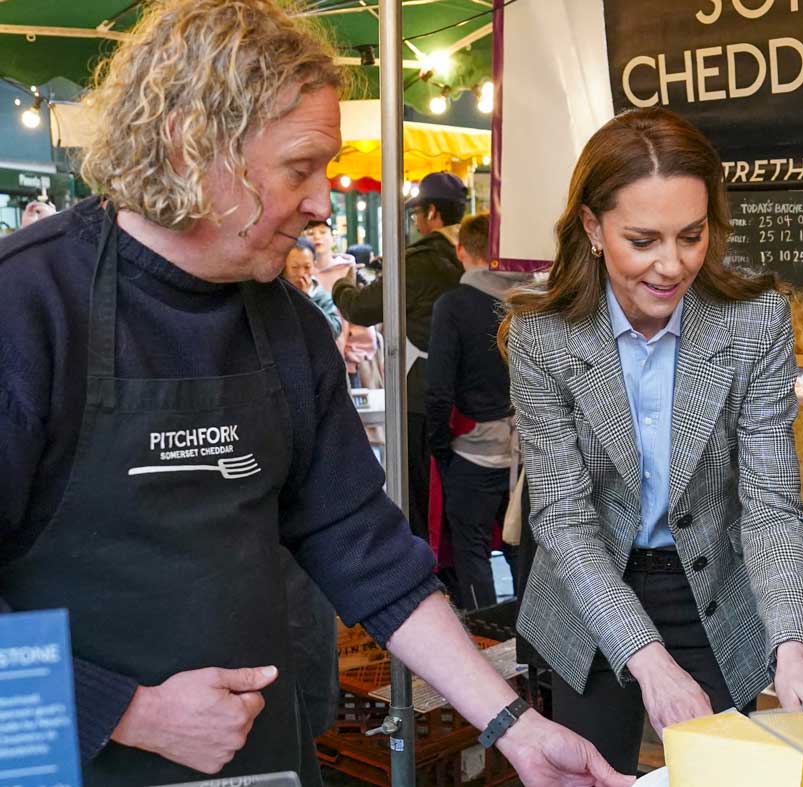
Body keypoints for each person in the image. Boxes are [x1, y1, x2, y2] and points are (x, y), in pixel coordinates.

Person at [0, 3, 630, 786]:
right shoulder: (27, 308)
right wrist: (125, 710)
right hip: (63, 759)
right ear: (190, 146)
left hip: (260, 762)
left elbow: (363, 545)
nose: (323, 202)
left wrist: (517, 726)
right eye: (300, 168)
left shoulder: (286, 324)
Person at [502, 107, 803, 775]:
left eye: (691, 235)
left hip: (712, 589)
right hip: (587, 592)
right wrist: (649, 660)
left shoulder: (754, 323)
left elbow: (770, 503)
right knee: (592, 771)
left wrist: (794, 644)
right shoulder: (544, 336)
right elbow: (565, 520)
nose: (672, 265)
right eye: (643, 240)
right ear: (593, 228)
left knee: (720, 773)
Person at [334, 172, 466, 543]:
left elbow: (361, 308)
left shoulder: (420, 262)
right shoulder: (475, 254)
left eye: (418, 214)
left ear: (433, 213)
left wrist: (342, 283)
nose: (416, 222)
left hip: (423, 394)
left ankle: (431, 565)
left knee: (421, 494)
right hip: (474, 395)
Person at [426, 213, 531, 610]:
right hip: (527, 448)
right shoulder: (530, 301)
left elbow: (439, 387)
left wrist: (440, 448)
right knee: (521, 546)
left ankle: (485, 635)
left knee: (471, 552)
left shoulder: (453, 305)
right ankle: (528, 634)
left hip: (471, 448)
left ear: (461, 251)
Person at [282, 238, 342, 336]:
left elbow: (334, 331)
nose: (301, 273)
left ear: (314, 265)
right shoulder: (275, 293)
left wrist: (307, 301)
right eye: (295, 267)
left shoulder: (321, 296)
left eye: (307, 267)